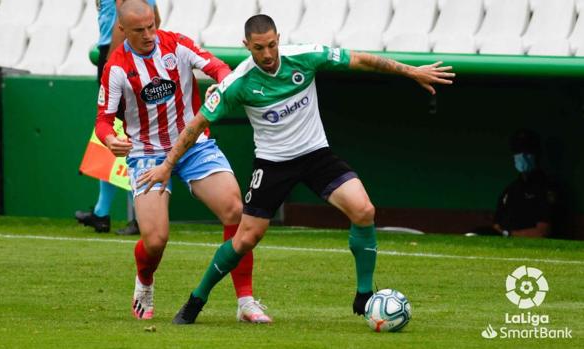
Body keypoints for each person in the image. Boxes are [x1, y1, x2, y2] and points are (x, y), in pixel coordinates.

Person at [136, 14, 455, 324]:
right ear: (247, 45)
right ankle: (196, 300)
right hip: (273, 165)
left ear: (279, 39)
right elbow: (197, 124)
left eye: (272, 45)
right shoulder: (239, 83)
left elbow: (361, 60)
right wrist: (167, 165)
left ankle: (363, 294)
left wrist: (409, 71)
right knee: (246, 239)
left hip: (317, 156)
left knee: (364, 210)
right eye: (259, 48)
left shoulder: (304, 56)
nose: (268, 54)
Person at [95, 0, 271, 322]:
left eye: (151, 26)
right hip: (147, 154)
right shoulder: (117, 67)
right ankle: (144, 282)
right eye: (139, 30)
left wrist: (222, 81)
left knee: (235, 210)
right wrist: (110, 139)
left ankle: (245, 301)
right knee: (156, 239)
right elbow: (103, 120)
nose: (149, 34)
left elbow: (217, 66)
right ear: (122, 30)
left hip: (192, 145)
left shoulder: (177, 44)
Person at [76, 0, 160, 235]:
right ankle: (103, 212)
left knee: (125, 134)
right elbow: (156, 19)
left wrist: (113, 62)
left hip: (118, 53)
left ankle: (139, 215)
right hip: (124, 53)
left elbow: (121, 23)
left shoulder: (119, 51)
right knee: (119, 133)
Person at [491, 129, 558, 238]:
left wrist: (509, 234)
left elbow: (542, 232)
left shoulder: (546, 188)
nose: (522, 155)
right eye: (518, 151)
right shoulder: (510, 190)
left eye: (527, 151)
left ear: (537, 154)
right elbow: (496, 225)